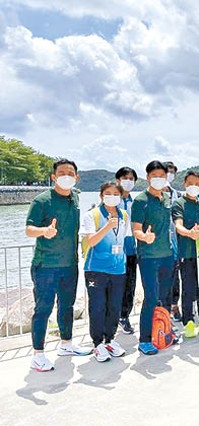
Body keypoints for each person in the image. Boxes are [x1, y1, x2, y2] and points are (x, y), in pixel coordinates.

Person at [26, 159, 92, 372]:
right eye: (61, 172)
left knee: (67, 306)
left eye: (70, 173)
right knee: (43, 309)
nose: (66, 176)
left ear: (76, 177)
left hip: (70, 265)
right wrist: (43, 231)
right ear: (53, 177)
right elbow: (29, 230)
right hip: (45, 265)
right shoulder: (42, 200)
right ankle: (38, 354)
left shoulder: (75, 198)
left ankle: (66, 344)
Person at [81, 182, 130, 362]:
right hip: (96, 269)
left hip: (118, 268)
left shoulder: (124, 214)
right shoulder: (91, 215)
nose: (112, 196)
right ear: (101, 195)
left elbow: (122, 239)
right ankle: (97, 344)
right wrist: (108, 226)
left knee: (114, 306)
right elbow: (92, 241)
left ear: (120, 196)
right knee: (98, 306)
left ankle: (110, 339)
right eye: (108, 193)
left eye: (116, 193)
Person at [131, 160, 175, 355]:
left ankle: (165, 332)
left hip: (167, 255)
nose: (158, 179)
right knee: (151, 297)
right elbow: (136, 230)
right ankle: (145, 339)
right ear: (148, 177)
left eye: (162, 176)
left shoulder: (167, 198)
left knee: (165, 297)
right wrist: (144, 237)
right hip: (148, 257)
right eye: (154, 176)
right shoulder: (140, 200)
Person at [172, 171, 199, 338]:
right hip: (187, 252)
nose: (194, 186)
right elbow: (178, 225)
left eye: (197, 184)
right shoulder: (179, 203)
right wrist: (189, 233)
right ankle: (189, 322)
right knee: (188, 289)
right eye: (190, 183)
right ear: (184, 184)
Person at [115, 166, 138, 335]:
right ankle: (111, 318)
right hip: (114, 251)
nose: (128, 181)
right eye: (125, 178)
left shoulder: (135, 202)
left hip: (131, 249)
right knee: (114, 285)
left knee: (130, 285)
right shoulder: (111, 201)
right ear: (118, 180)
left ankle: (124, 316)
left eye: (131, 178)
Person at [164, 161, 182, 322]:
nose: (169, 174)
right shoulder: (152, 194)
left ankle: (174, 306)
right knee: (161, 280)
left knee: (175, 278)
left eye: (172, 172)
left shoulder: (177, 195)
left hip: (175, 244)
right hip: (159, 246)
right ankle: (162, 311)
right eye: (167, 171)